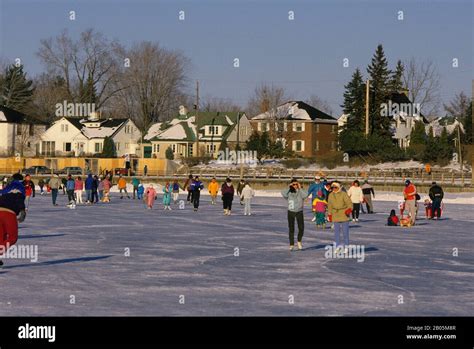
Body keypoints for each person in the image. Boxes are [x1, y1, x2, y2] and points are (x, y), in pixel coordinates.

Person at [0, 173, 25, 267]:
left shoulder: (7, 186)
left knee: (0, 237)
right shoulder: (19, 186)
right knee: (12, 238)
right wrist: (22, 210)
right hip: (8, 213)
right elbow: (18, 197)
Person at [281, 178, 308, 251]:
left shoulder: (300, 191)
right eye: (294, 184)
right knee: (291, 228)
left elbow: (305, 195)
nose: (295, 186)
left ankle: (299, 241)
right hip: (291, 211)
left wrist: (300, 188)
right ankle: (291, 244)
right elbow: (283, 193)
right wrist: (288, 187)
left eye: (296, 184)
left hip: (299, 211)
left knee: (301, 228)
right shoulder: (289, 192)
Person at [327, 181, 353, 254]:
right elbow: (329, 205)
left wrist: (349, 210)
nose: (334, 189)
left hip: (344, 214)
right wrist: (329, 214)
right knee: (336, 233)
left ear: (338, 187)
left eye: (335, 187)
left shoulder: (343, 194)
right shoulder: (330, 195)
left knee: (345, 233)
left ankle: (346, 247)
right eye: (332, 188)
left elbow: (349, 203)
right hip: (335, 214)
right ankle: (337, 247)